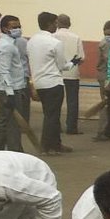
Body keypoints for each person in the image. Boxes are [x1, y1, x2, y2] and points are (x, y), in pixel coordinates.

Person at [26, 11, 71, 154]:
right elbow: (61, 65)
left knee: (50, 114)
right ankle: (46, 145)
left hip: (39, 82)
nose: (57, 26)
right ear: (49, 24)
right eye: (55, 23)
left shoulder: (32, 41)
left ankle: (56, 143)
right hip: (53, 82)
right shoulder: (55, 43)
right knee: (52, 116)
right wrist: (72, 63)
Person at [0, 15, 27, 151]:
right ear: (5, 28)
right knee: (11, 122)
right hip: (9, 88)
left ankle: (0, 148)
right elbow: (4, 70)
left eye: (19, 26)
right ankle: (14, 149)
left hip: (10, 87)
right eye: (14, 27)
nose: (18, 29)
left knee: (5, 120)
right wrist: (9, 93)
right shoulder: (6, 46)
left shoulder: (8, 44)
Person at [56, 14, 84, 137]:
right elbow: (81, 57)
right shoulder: (76, 37)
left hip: (57, 73)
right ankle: (71, 127)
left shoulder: (53, 36)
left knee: (56, 102)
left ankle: (56, 126)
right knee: (72, 101)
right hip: (72, 73)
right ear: (70, 23)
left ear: (57, 23)